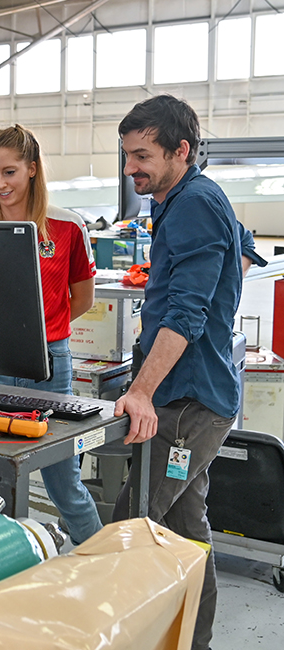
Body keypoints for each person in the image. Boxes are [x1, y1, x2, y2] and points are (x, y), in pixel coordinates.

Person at [111, 94, 267, 650]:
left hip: (187, 403)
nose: (131, 168)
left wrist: (142, 392)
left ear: (181, 150)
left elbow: (187, 313)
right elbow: (245, 246)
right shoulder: (179, 197)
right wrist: (223, 280)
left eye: (143, 156)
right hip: (194, 391)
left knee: (131, 528)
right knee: (184, 528)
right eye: (128, 155)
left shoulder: (195, 202)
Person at [0, 124, 103, 546]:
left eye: (8, 172)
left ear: (32, 169)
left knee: (63, 480)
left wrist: (46, 329)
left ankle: (103, 566)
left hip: (48, 364)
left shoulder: (67, 226)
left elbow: (81, 297)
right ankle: (5, 566)